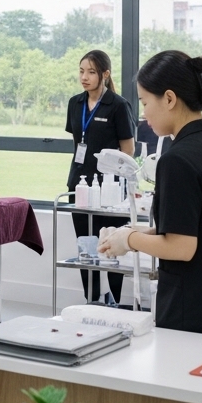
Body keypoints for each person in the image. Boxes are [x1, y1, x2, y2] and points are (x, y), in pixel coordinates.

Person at [99, 51, 202, 339]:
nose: (144, 114)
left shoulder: (177, 159)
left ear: (169, 98)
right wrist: (137, 232)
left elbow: (182, 247)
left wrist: (129, 240)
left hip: (200, 314)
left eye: (145, 102)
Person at [65, 49, 135, 304]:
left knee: (112, 246)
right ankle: (91, 300)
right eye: (81, 71)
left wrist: (114, 178)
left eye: (91, 72)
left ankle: (113, 302)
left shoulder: (118, 105)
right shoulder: (75, 103)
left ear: (105, 74)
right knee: (87, 247)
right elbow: (78, 143)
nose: (84, 77)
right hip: (80, 186)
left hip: (110, 190)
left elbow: (128, 150)